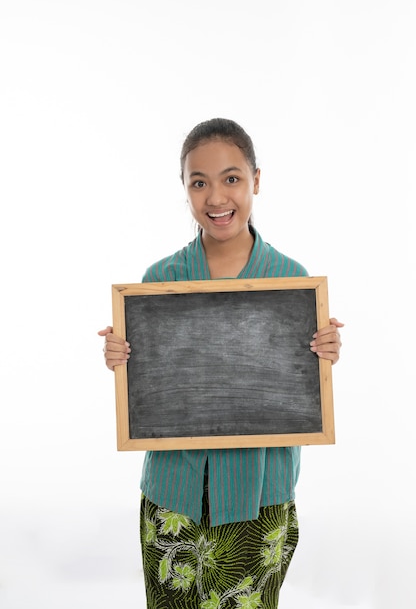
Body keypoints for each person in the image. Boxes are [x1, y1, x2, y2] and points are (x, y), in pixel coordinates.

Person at [98, 118, 343, 609]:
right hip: (174, 493)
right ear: (185, 189)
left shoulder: (291, 282)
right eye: (199, 182)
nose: (216, 197)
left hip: (261, 495)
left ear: (256, 180)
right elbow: (149, 386)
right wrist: (121, 358)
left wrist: (324, 352)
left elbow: (295, 389)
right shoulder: (159, 281)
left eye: (231, 178)